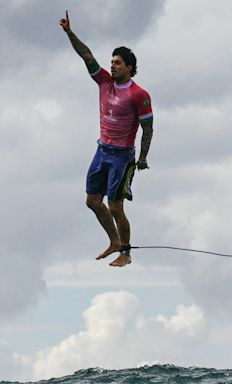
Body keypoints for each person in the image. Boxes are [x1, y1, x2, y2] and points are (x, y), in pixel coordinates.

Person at [59, 11, 154, 267]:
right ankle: (113, 240)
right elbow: (86, 55)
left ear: (130, 67)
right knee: (92, 201)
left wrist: (142, 158)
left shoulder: (139, 94)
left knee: (115, 206)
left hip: (122, 156)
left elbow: (148, 128)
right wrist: (69, 32)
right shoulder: (103, 82)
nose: (112, 66)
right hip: (102, 150)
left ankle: (125, 252)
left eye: (118, 63)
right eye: (111, 62)